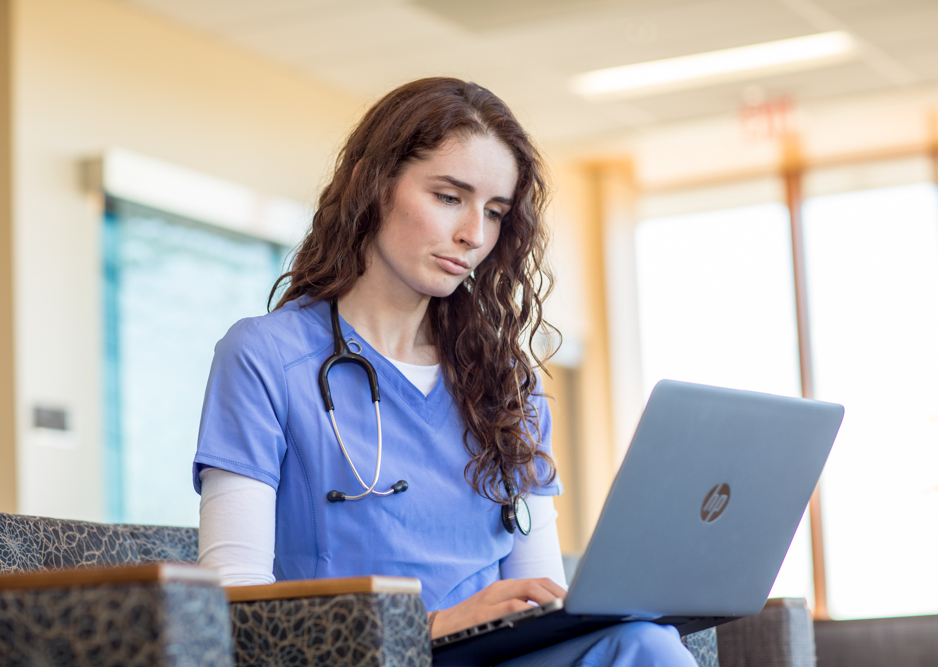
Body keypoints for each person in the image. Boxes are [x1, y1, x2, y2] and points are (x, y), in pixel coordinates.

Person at [192, 77, 696, 666]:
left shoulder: (507, 383)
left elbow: (538, 590)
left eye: (495, 212)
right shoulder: (266, 356)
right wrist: (432, 626)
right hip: (361, 660)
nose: (474, 235)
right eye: (449, 197)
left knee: (645, 643)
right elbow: (235, 605)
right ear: (372, 184)